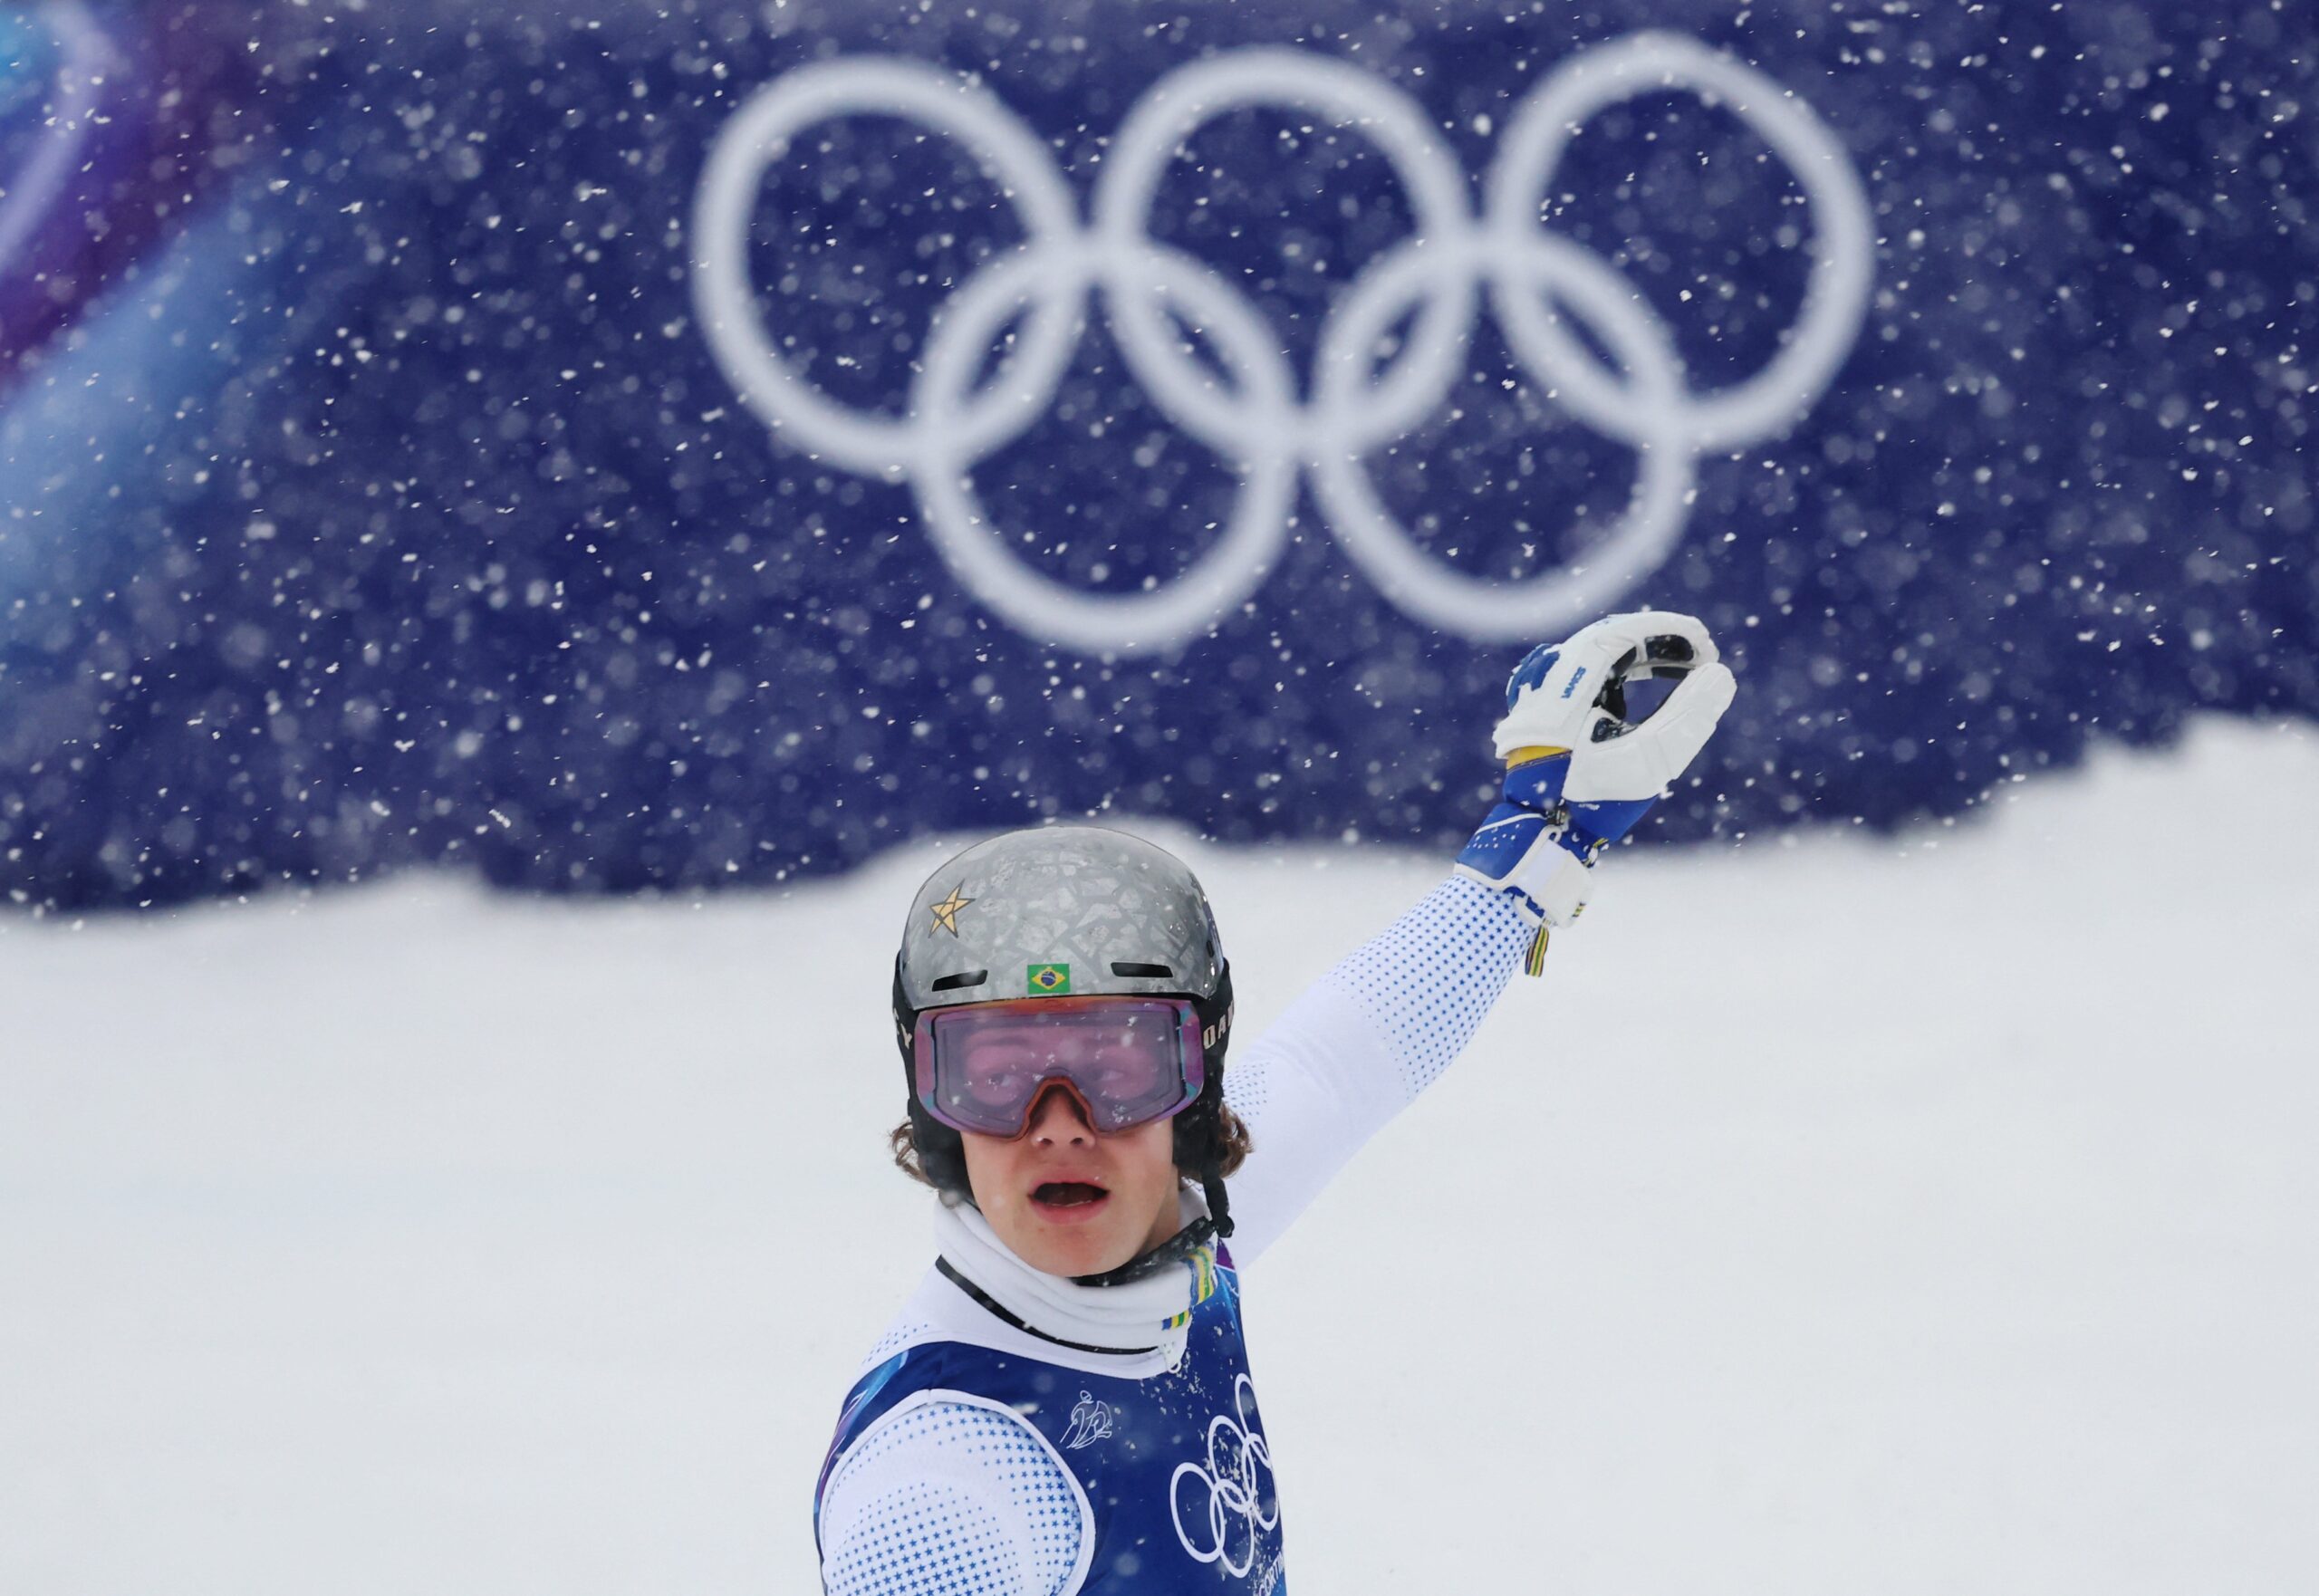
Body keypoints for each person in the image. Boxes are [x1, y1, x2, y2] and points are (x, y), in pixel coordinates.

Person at [813, 611, 1738, 1594]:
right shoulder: (939, 1495)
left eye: (1119, 1067)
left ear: (1194, 1089)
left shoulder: (1179, 1240)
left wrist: (1542, 836)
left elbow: (1339, 1062)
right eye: (995, 1075)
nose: (1061, 1121)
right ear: (934, 1109)